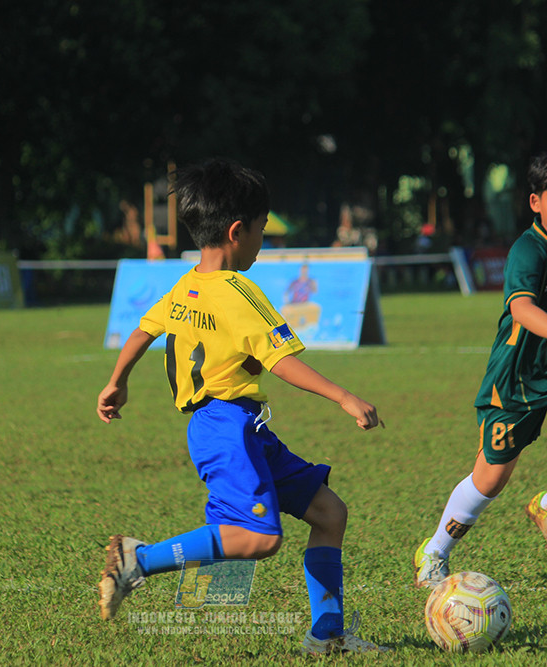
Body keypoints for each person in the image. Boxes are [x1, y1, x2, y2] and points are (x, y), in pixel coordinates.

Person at [96, 158, 387, 655]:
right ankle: (137, 560)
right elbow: (280, 361)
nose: (263, 241)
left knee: (328, 513)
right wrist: (343, 396)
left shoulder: (187, 285)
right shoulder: (241, 293)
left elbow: (144, 329)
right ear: (237, 231)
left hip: (238, 429)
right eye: (261, 230)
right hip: (225, 428)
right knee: (259, 538)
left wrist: (116, 381)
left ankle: (328, 635)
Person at [412, 150, 547, 588]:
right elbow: (522, 310)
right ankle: (435, 550)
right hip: (516, 375)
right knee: (491, 477)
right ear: (535, 202)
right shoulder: (527, 249)